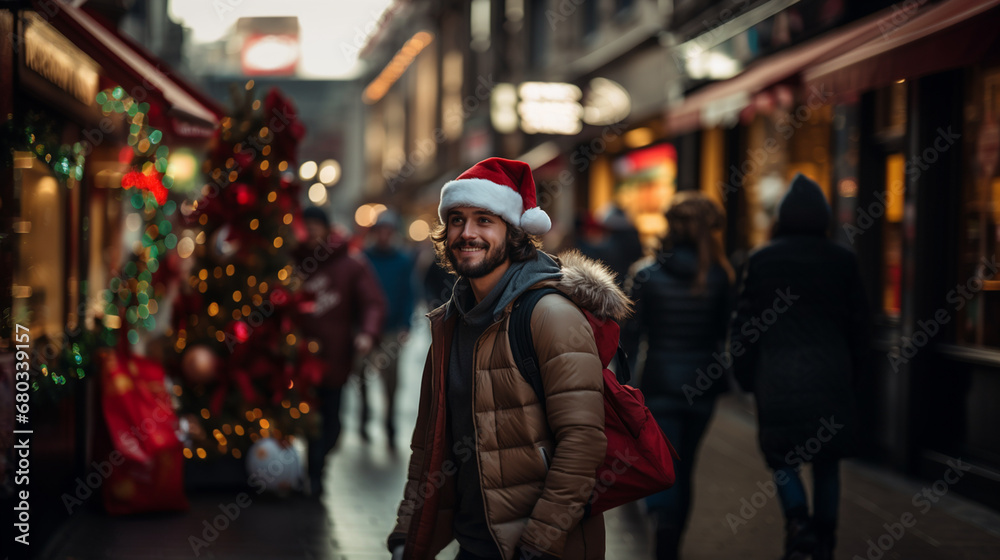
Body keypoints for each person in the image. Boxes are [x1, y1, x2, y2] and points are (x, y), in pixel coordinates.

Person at [387, 157, 630, 560]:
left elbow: (583, 442)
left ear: (514, 232)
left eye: (485, 220)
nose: (467, 233)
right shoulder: (450, 320)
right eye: (457, 220)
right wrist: (406, 536)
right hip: (474, 544)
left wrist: (538, 544)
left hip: (540, 547)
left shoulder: (549, 315)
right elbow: (429, 443)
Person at [729, 174, 869, 560]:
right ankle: (824, 540)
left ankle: (797, 523)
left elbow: (745, 326)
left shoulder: (762, 259)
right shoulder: (842, 260)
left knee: (781, 457)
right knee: (827, 463)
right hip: (832, 377)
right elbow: (861, 327)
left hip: (777, 376)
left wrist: (745, 374)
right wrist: (857, 378)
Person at [622, 192, 734, 560]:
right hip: (704, 387)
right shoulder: (720, 275)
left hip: (659, 384)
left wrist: (624, 385)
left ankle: (663, 530)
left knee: (662, 463)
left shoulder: (645, 273)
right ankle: (672, 543)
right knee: (686, 468)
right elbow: (725, 333)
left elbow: (631, 336)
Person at [295, 206, 386, 495]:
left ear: (326, 229)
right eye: (305, 225)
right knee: (308, 418)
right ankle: (312, 474)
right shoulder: (292, 263)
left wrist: (367, 334)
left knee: (331, 419)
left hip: (335, 357)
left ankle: (319, 461)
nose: (309, 231)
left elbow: (373, 302)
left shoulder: (351, 264)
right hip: (297, 358)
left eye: (315, 225)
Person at [360, 209, 415, 448]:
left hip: (392, 327)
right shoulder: (363, 258)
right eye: (380, 231)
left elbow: (409, 294)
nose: (384, 235)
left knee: (391, 379)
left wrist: (406, 324)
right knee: (360, 373)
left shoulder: (403, 260)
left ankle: (389, 422)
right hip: (366, 328)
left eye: (388, 231)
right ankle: (364, 416)